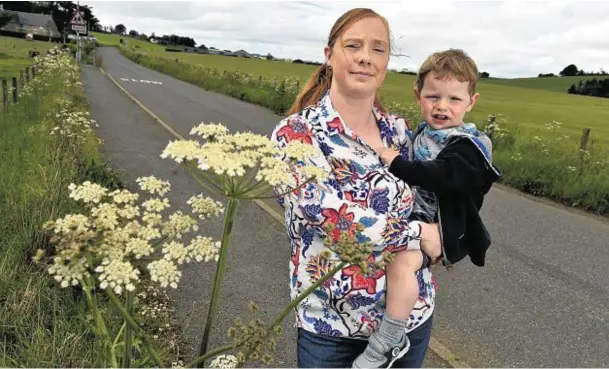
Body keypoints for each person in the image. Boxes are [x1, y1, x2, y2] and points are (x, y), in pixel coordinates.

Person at [270, 8, 442, 368]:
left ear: (386, 64)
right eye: (353, 45)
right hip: (331, 329)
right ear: (329, 55)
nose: (366, 57)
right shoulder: (295, 135)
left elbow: (433, 195)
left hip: (410, 322)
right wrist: (420, 234)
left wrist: (447, 232)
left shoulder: (399, 131)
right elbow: (331, 217)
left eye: (378, 49)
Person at [353, 49, 503, 367]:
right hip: (418, 217)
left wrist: (396, 163)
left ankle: (389, 339)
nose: (442, 107)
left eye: (454, 99)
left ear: (471, 102)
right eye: (433, 96)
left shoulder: (469, 146)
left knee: (401, 264)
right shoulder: (424, 133)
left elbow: (442, 177)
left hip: (445, 228)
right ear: (418, 95)